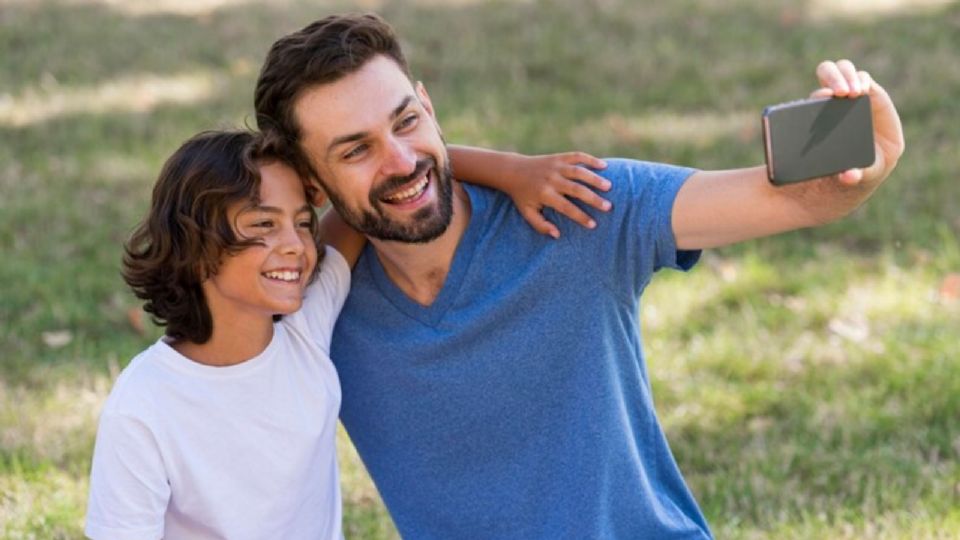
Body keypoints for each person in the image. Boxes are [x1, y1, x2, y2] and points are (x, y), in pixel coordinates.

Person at [253, 13, 905, 539]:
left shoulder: (578, 207)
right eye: (357, 149)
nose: (401, 161)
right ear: (311, 183)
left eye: (407, 122)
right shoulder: (313, 312)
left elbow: (794, 198)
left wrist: (860, 165)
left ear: (428, 106)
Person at [83, 129, 612, 539]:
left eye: (302, 223)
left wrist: (512, 171)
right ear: (193, 244)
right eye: (263, 226)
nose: (294, 245)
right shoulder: (145, 408)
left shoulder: (305, 327)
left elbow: (382, 182)